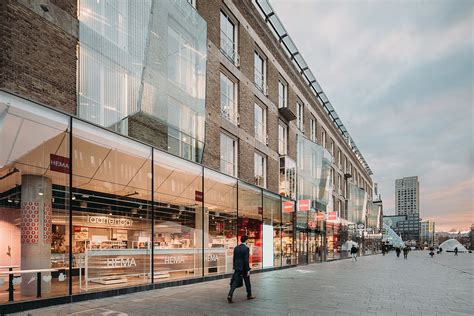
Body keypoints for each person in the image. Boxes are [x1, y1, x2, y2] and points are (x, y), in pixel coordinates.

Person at [227, 235, 256, 303]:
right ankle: (249, 295)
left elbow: (234, 258)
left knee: (235, 282)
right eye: (247, 240)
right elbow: (246, 260)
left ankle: (229, 295)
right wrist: (248, 270)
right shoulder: (246, 248)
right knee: (247, 282)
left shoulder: (236, 248)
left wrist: (234, 267)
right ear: (246, 240)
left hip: (237, 268)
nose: (248, 241)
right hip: (244, 268)